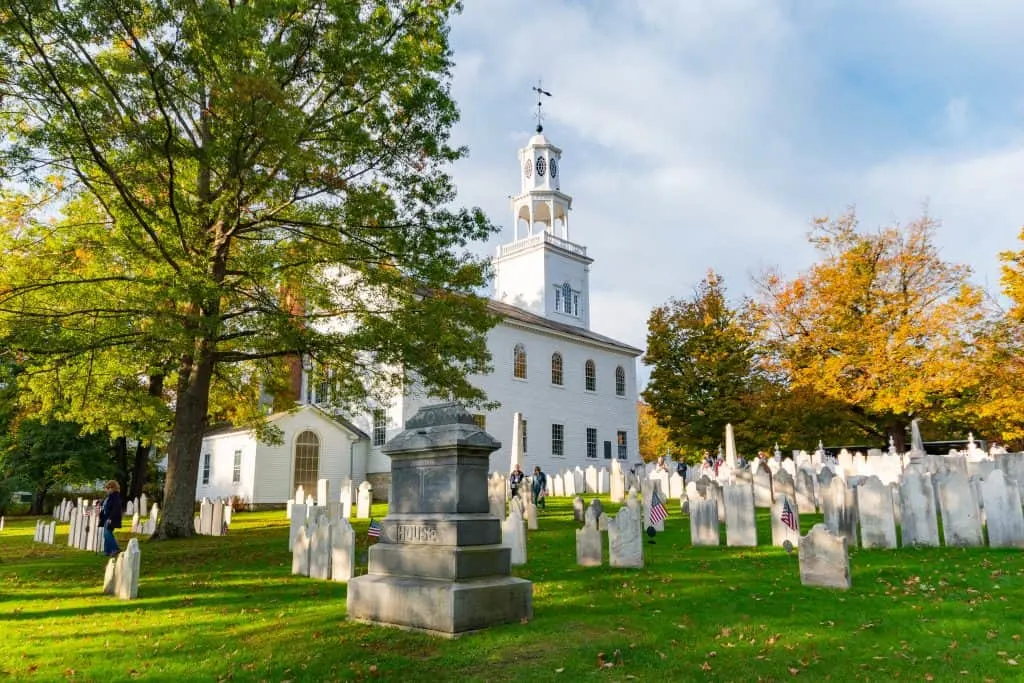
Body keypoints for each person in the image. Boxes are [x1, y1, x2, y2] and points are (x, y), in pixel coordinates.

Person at [99, 480, 123, 557]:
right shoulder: (110, 496)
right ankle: (107, 552)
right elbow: (105, 504)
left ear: (112, 488)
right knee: (107, 534)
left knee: (107, 534)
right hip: (106, 518)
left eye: (107, 488)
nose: (106, 490)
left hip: (111, 518)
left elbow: (116, 508)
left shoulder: (116, 496)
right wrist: (99, 503)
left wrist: (110, 518)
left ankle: (116, 549)